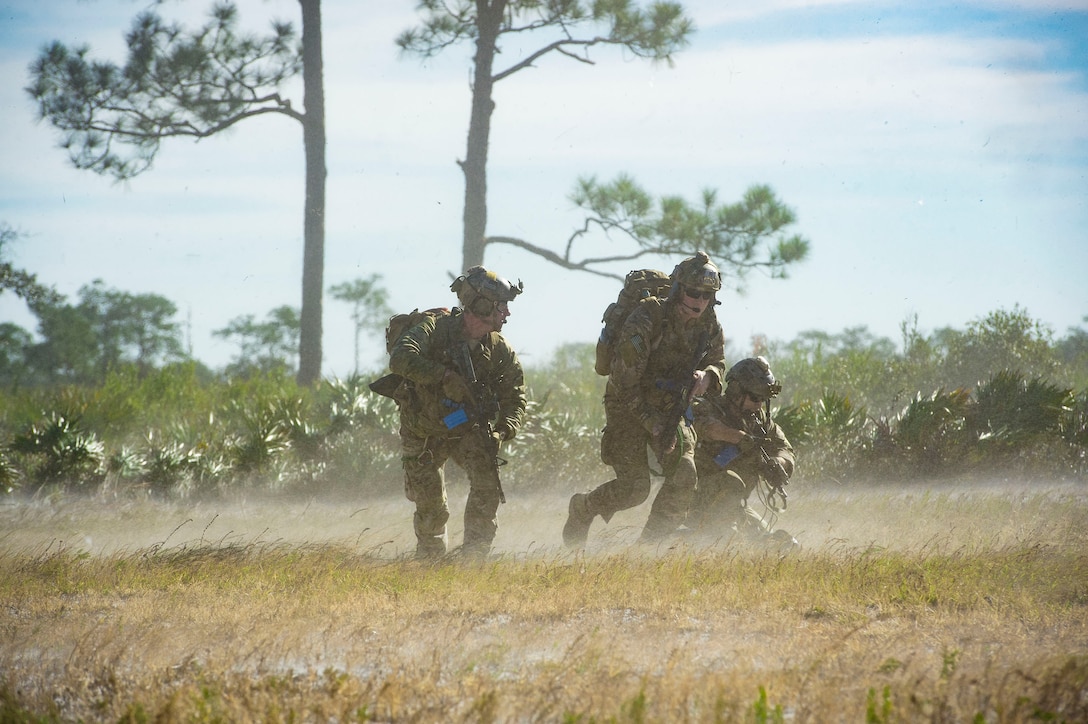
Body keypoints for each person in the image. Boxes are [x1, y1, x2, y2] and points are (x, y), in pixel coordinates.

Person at [563, 252, 727, 547]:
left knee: (685, 474)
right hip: (627, 407)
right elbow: (624, 383)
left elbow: (718, 361)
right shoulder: (647, 317)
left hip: (671, 408)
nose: (699, 301)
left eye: (707, 295)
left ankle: (648, 550)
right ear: (678, 289)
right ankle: (582, 508)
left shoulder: (709, 323)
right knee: (634, 489)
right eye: (693, 292)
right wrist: (650, 422)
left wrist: (709, 376)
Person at [389, 266, 527, 560]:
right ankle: (431, 567)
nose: (507, 313)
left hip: (466, 429)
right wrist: (443, 376)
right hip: (423, 431)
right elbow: (401, 357)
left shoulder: (499, 349)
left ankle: (473, 561)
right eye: (500, 306)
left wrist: (503, 430)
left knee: (487, 485)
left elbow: (515, 397)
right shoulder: (434, 330)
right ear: (480, 305)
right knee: (432, 508)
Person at [689, 356, 797, 548]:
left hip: (735, 507)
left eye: (763, 400)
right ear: (737, 392)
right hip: (695, 500)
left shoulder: (760, 422)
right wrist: (739, 438)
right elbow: (707, 427)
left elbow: (785, 449)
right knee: (732, 537)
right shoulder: (709, 408)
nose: (759, 405)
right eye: (755, 398)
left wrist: (779, 463)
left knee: (774, 544)